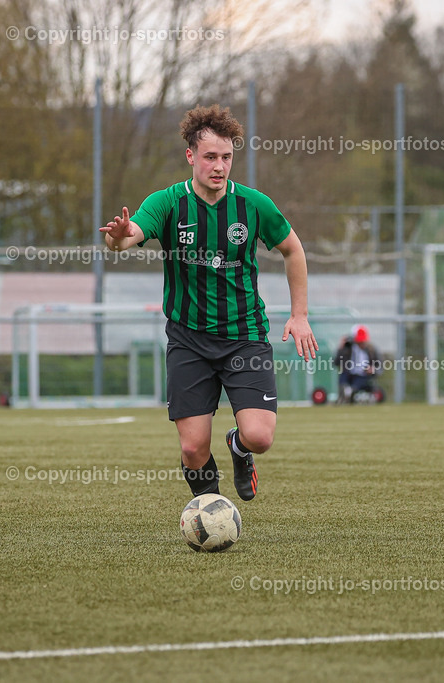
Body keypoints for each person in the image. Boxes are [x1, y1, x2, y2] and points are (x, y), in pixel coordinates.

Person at [99, 104, 318, 502]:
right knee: (192, 448)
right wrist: (117, 236)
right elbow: (130, 236)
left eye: (227, 157)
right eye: (210, 157)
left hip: (244, 336)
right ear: (190, 156)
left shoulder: (253, 204)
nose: (219, 166)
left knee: (260, 437)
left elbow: (293, 249)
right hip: (189, 340)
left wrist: (299, 314)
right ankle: (212, 509)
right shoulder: (167, 202)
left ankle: (238, 448)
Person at [335, 324, 381, 403]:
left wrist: (373, 370)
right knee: (343, 379)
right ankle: (345, 394)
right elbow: (336, 362)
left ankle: (352, 394)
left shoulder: (372, 349)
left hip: (363, 376)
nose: (361, 343)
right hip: (349, 375)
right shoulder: (348, 348)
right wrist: (341, 347)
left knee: (358, 384)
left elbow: (380, 366)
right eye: (359, 341)